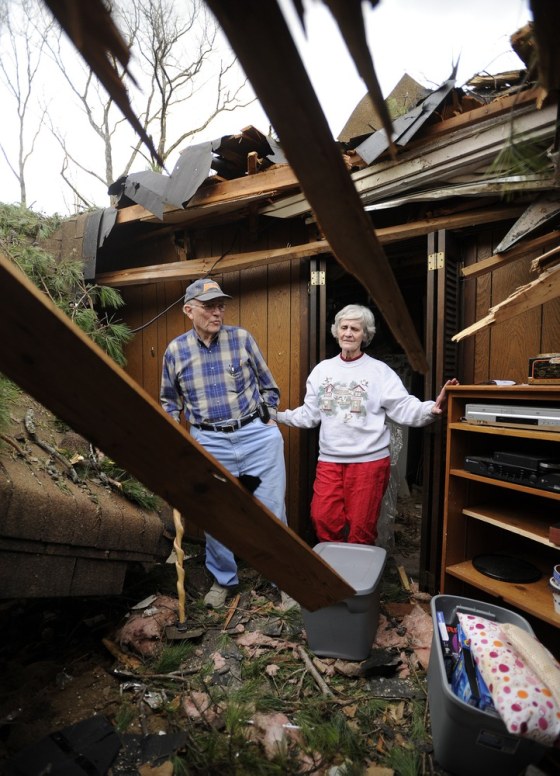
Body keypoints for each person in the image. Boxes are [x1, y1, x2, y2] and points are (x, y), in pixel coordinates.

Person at [277, 303, 458, 546]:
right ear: (336, 331)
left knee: (361, 529)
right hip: (330, 461)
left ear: (366, 335)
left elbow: (403, 406)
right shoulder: (322, 371)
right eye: (344, 327)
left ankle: (356, 579)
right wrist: (276, 416)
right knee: (322, 518)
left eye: (355, 328)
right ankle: (334, 574)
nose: (348, 333)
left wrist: (432, 409)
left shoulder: (379, 371)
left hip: (369, 463)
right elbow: (309, 415)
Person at [160, 277, 288, 609]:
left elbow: (269, 387)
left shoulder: (241, 339)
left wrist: (269, 416)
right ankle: (224, 579)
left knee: (272, 511)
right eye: (209, 306)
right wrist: (174, 436)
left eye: (221, 305)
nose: (217, 312)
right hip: (209, 441)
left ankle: (284, 578)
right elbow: (169, 403)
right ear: (189, 310)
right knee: (217, 513)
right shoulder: (175, 351)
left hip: (256, 437)